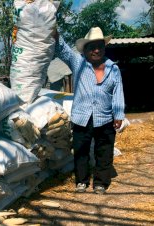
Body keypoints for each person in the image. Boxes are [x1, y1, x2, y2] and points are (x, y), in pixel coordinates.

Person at [53, 27, 125, 194]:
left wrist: (119, 114)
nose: (96, 50)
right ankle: (82, 181)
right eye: (92, 47)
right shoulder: (79, 64)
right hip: (82, 117)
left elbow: (118, 92)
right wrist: (54, 32)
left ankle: (100, 182)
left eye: (100, 46)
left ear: (104, 48)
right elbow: (62, 49)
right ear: (84, 50)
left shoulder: (113, 68)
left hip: (105, 117)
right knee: (81, 151)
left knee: (104, 151)